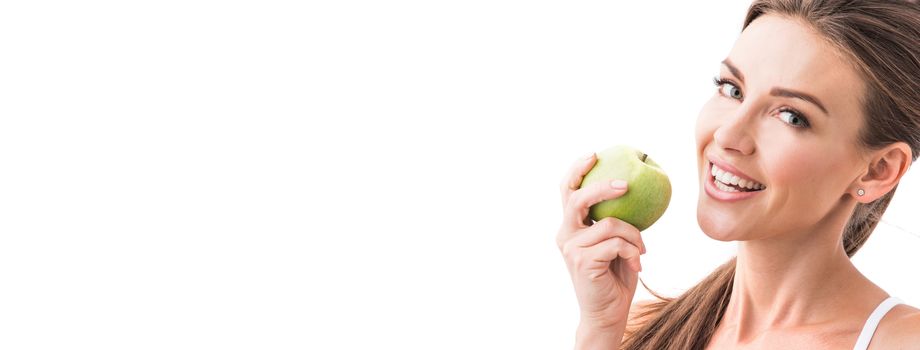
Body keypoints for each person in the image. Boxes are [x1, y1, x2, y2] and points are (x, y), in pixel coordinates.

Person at [556, 0, 920, 349]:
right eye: (732, 89)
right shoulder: (638, 329)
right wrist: (600, 329)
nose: (727, 136)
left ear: (878, 171)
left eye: (792, 116)